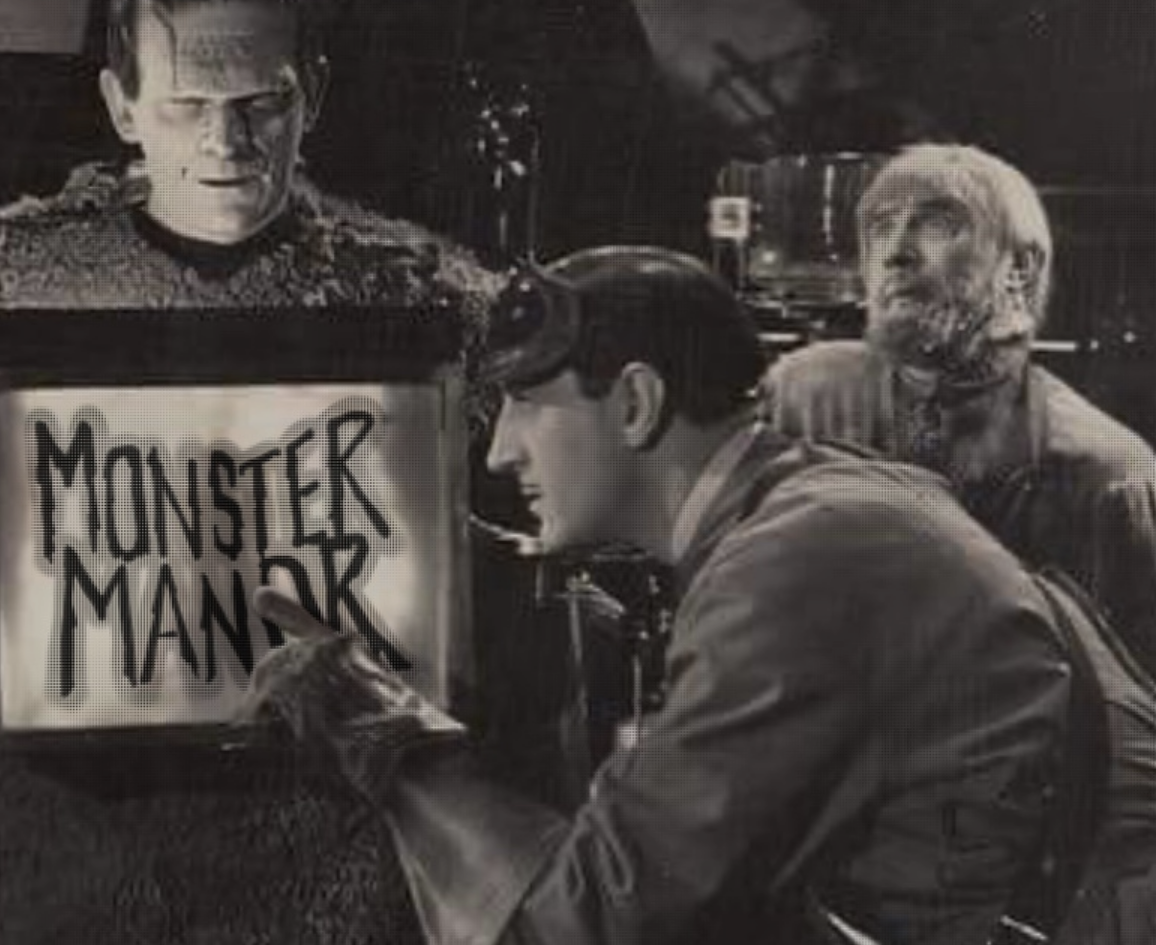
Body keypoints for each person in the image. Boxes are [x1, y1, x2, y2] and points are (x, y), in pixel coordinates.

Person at [0, 1, 503, 942]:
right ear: (122, 105)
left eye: (261, 103)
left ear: (314, 96)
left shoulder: (427, 303)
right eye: (186, 105)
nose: (225, 141)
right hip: (40, 872)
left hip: (332, 875)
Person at [243, 245, 1105, 944]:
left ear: (636, 402)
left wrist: (385, 735)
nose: (500, 449)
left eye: (528, 402)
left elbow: (583, 926)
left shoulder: (788, 569)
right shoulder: (818, 501)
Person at [764, 144, 1156, 684]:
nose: (894, 253)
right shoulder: (801, 397)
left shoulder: (1107, 477)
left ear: (1019, 268)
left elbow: (1132, 706)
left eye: (937, 225)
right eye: (881, 227)